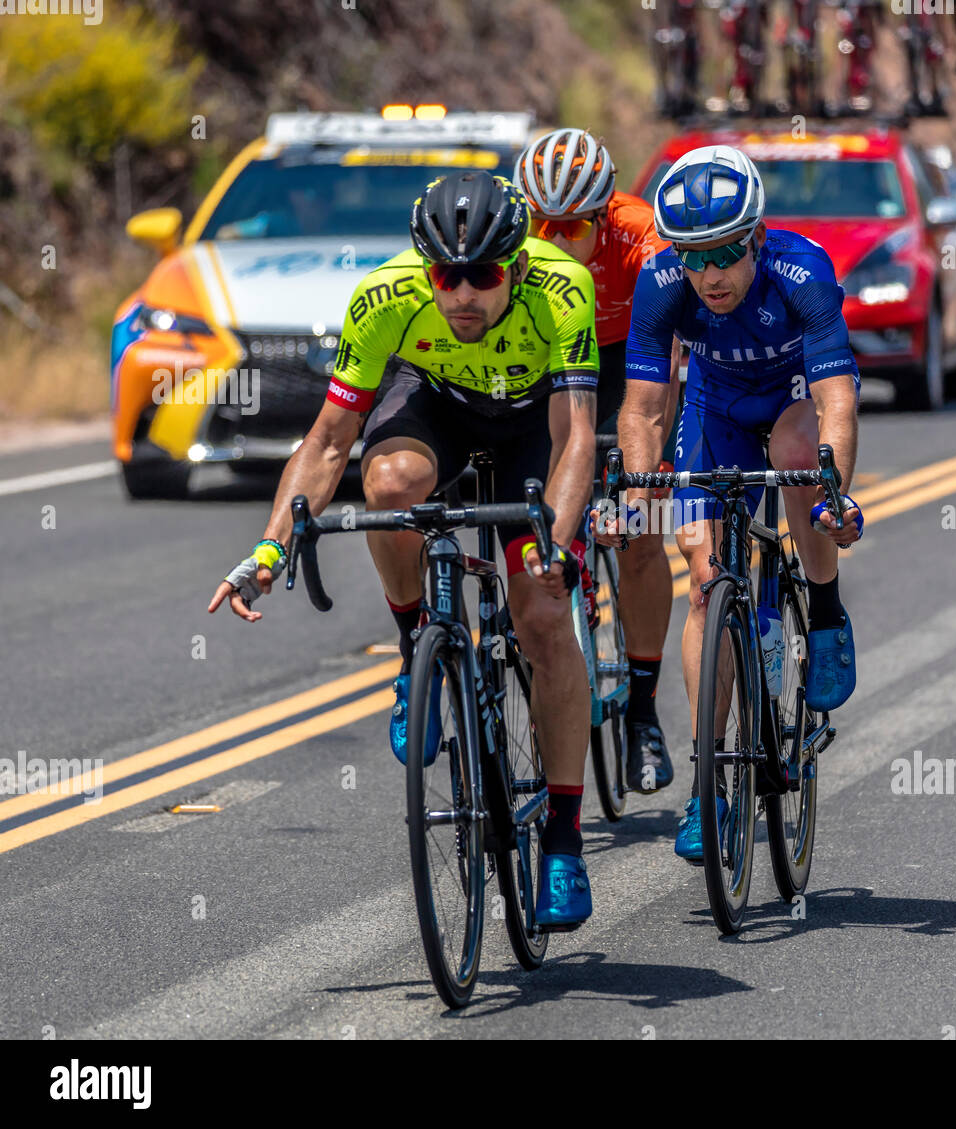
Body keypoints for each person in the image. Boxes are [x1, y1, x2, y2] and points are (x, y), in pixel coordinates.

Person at [208, 171, 600, 930]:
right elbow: (327, 442)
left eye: (481, 276)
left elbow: (575, 436)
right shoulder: (384, 297)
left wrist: (554, 546)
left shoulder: (563, 288)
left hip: (530, 427)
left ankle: (562, 837)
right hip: (440, 405)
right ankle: (414, 641)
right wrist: (267, 551)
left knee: (544, 616)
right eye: (445, 275)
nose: (461, 294)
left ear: (516, 265)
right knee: (387, 487)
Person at [597, 145, 864, 862]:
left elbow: (837, 396)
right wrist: (636, 489)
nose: (709, 274)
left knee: (799, 458)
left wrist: (836, 492)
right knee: (704, 573)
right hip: (713, 410)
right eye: (693, 255)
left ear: (756, 236)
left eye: (724, 253)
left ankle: (827, 610)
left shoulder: (801, 273)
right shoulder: (663, 282)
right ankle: (706, 783)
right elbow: (646, 409)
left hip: (791, 404)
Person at [515, 127, 680, 794]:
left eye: (573, 227)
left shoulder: (639, 233)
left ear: (604, 216)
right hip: (552, 360)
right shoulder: (514, 238)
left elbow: (666, 355)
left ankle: (642, 709)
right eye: (542, 224)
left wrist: (651, 461)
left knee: (639, 531)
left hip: (627, 360)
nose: (553, 241)